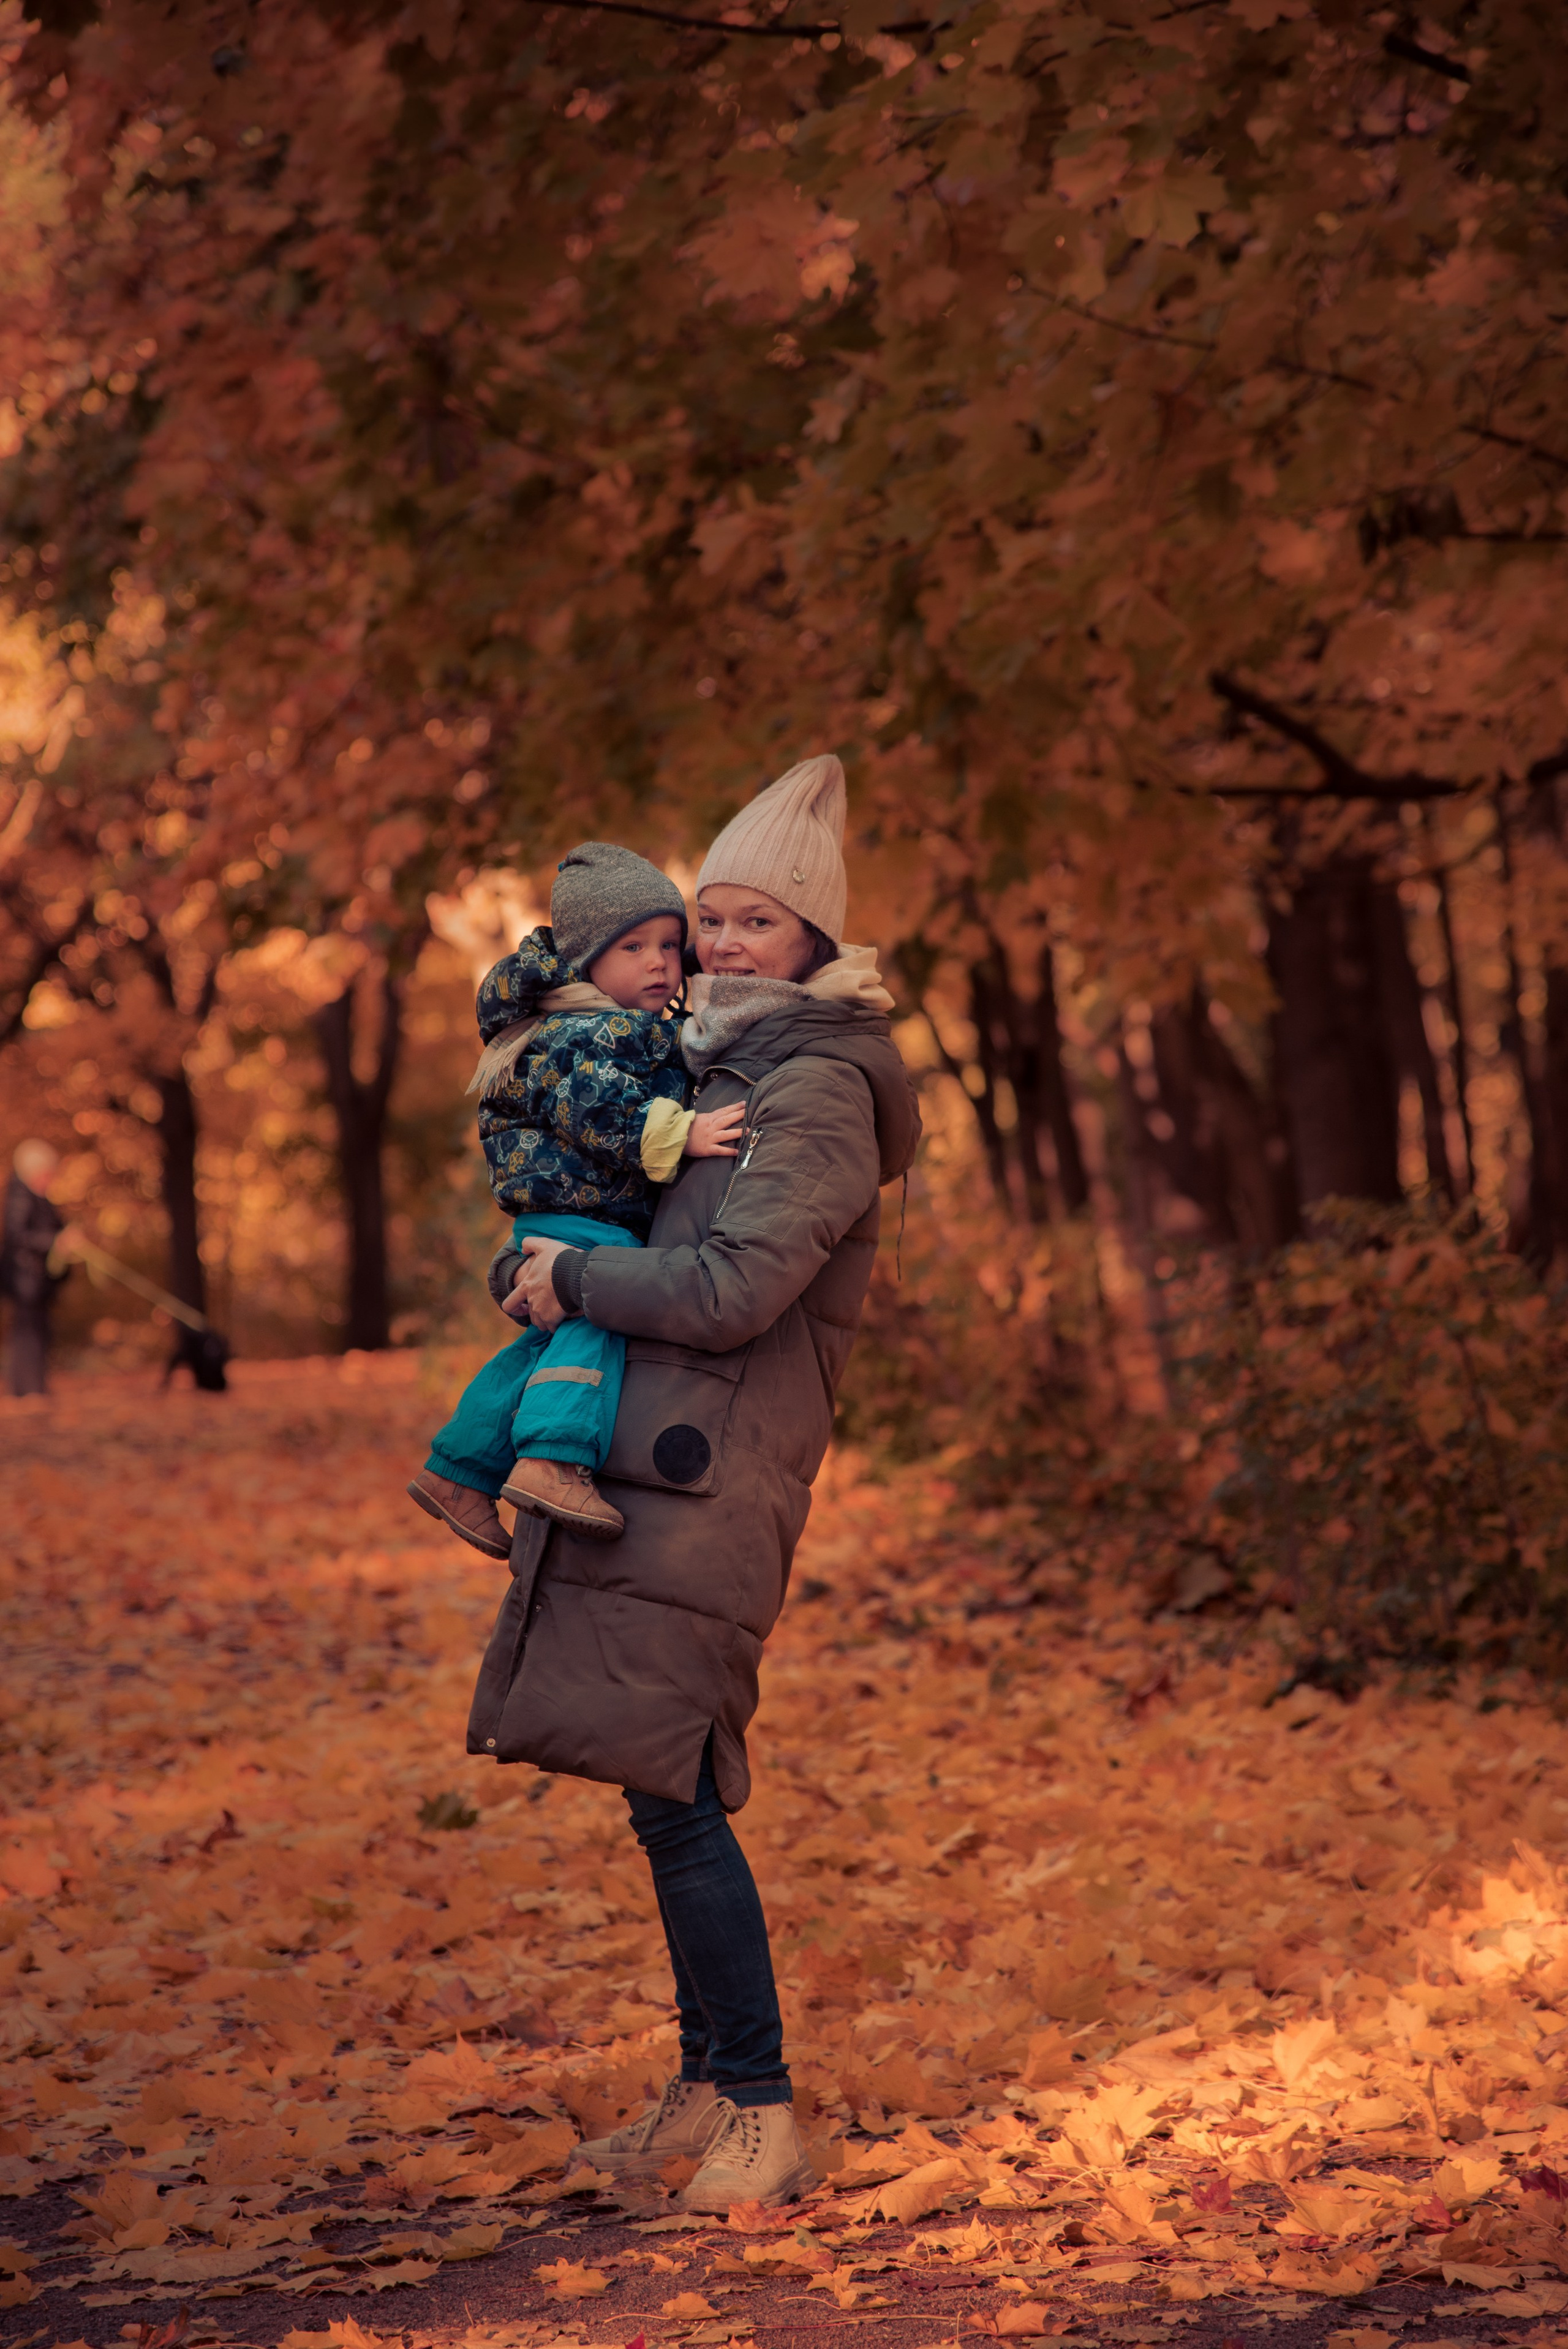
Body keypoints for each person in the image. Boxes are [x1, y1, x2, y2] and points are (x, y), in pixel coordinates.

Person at [468, 753, 922, 2211]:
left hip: (716, 1462)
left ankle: (764, 2109)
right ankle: (710, 2083)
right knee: (664, 1780)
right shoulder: (711, 1065)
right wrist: (542, 1257)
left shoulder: (818, 1082)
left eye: (754, 922)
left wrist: (572, 1278)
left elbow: (734, 1287)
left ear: (813, 940)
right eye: (708, 918)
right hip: (656, 1452)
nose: (722, 943)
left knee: (678, 1787)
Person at [409, 842, 745, 1555]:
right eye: (634, 946)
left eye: (669, 945)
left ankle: (460, 1470)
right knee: (601, 1304)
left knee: (545, 1344)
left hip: (573, 1210)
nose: (661, 962)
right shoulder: (580, 1031)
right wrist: (682, 1133)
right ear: (587, 959)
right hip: (583, 1216)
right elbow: (596, 1108)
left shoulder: (614, 1025)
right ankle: (554, 1460)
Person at [2, 1140, 66, 1397]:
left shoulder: (41, 1197)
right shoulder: (20, 1193)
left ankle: (34, 1387)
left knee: (37, 1330)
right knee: (27, 1332)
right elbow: (18, 1235)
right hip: (23, 1277)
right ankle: (27, 1390)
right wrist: (54, 1241)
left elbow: (55, 1228)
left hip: (36, 1279)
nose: (50, 1178)